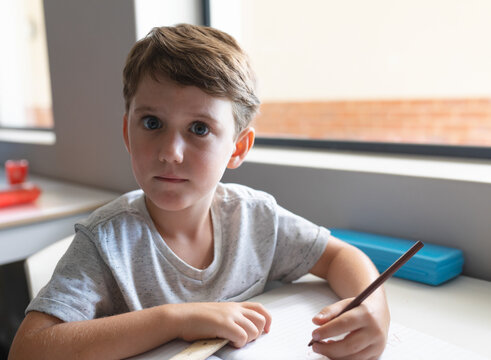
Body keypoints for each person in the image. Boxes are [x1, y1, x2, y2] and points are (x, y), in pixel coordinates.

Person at [8, 24, 389, 360]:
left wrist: (373, 307)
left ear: (237, 148)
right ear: (127, 132)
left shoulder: (254, 218)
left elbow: (339, 255)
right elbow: (29, 350)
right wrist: (175, 319)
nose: (170, 152)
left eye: (199, 129)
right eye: (152, 122)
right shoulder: (105, 242)